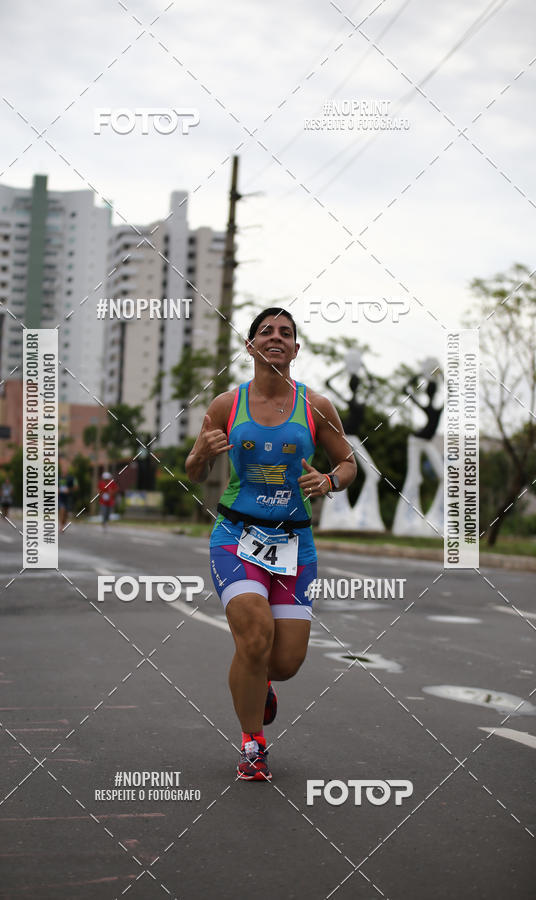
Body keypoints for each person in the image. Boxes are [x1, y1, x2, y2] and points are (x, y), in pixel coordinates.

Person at [186, 308, 357, 781]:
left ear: (296, 350)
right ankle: (252, 742)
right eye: (266, 331)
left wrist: (329, 480)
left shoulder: (316, 406)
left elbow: (348, 464)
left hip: (294, 544)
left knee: (283, 663)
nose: (276, 338)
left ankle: (260, 685)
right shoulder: (226, 405)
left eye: (286, 333)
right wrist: (200, 453)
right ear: (251, 346)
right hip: (236, 536)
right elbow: (194, 470)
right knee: (254, 636)